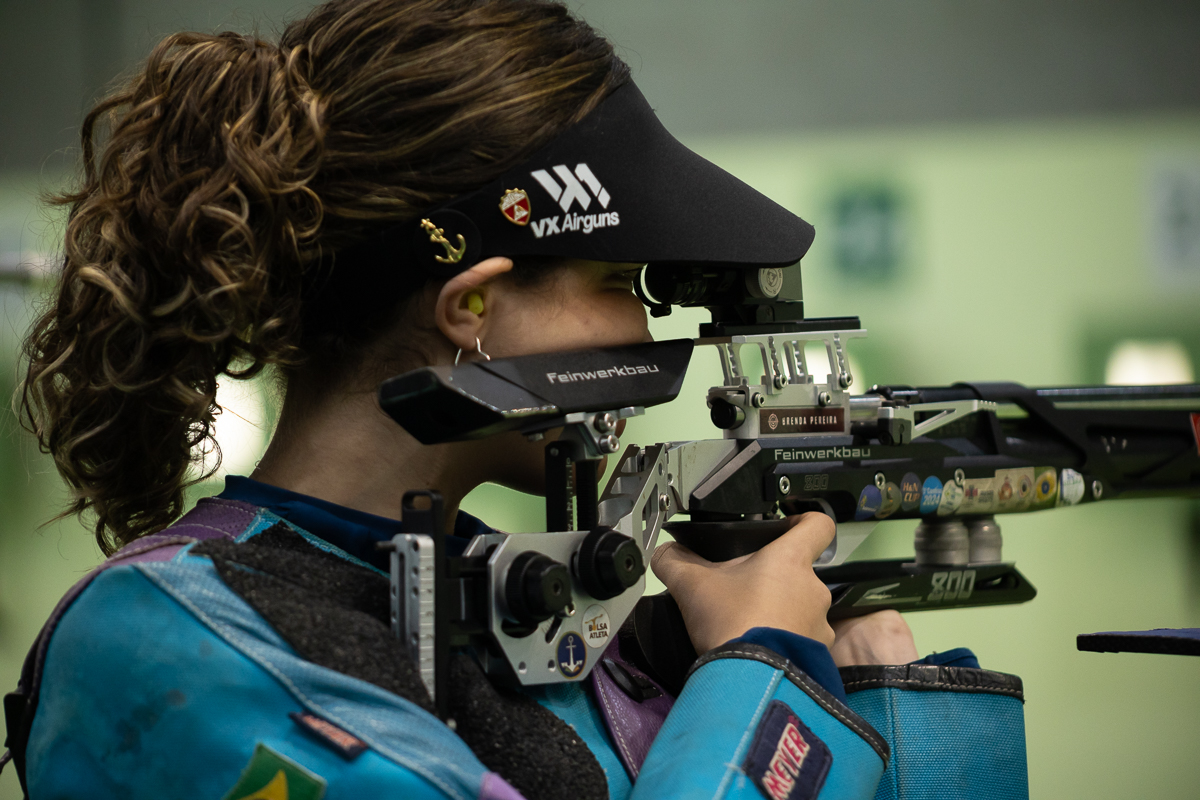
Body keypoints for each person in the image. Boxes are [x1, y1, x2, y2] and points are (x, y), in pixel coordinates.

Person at [4, 1, 1029, 798]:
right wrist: (767, 671)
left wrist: (873, 693)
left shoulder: (520, 620)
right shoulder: (171, 638)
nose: (646, 335)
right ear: (474, 307)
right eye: (621, 284)